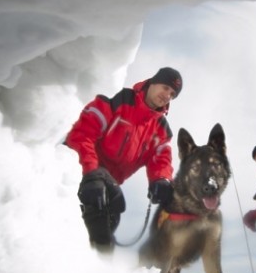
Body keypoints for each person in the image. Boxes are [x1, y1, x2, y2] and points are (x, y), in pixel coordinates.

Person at [65, 67, 183, 253]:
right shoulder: (118, 99)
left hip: (108, 182)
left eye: (172, 94)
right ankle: (92, 257)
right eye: (165, 87)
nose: (167, 95)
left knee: (115, 208)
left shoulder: (161, 129)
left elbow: (160, 159)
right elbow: (81, 134)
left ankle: (96, 260)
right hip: (80, 166)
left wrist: (161, 180)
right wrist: (91, 172)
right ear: (152, 82)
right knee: (100, 204)